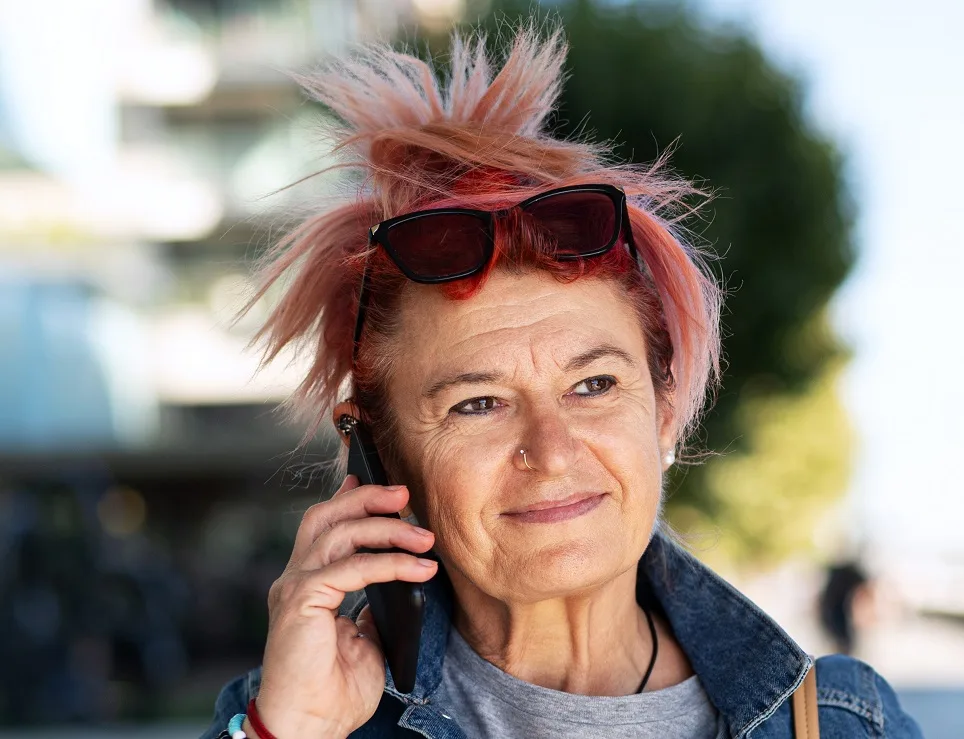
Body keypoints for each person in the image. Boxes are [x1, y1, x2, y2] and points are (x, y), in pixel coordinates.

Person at [201, 25, 922, 739]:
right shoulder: (304, 716)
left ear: (664, 412)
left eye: (595, 385)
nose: (550, 450)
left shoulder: (838, 723)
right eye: (477, 403)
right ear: (381, 455)